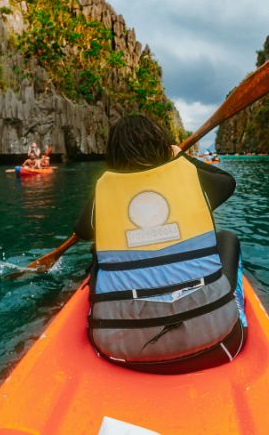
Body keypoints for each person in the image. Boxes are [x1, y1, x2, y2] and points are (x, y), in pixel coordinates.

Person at [74, 115, 246, 374]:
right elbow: (228, 182)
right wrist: (181, 157)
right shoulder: (192, 179)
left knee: (96, 254)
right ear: (164, 147)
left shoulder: (103, 191)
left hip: (119, 349)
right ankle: (235, 309)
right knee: (227, 238)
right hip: (216, 338)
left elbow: (82, 231)